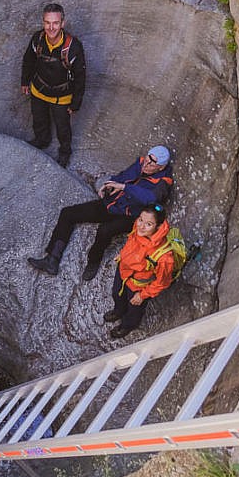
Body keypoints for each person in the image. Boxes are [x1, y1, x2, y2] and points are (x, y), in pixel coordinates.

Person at [27, 145, 174, 281]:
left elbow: (150, 198)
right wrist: (109, 185)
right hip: (113, 203)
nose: (147, 164)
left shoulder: (163, 182)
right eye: (148, 158)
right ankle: (52, 258)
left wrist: (123, 187)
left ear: (161, 167)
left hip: (131, 215)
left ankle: (93, 261)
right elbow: (123, 176)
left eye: (152, 163)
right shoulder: (141, 163)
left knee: (105, 231)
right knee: (68, 213)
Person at [21, 3, 87, 168]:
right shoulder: (38, 39)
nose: (51, 27)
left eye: (55, 23)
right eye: (47, 23)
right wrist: (25, 81)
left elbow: (80, 77)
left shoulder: (73, 48)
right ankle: (42, 140)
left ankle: (64, 152)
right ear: (43, 23)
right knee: (39, 119)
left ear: (62, 23)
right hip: (39, 89)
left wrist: (76, 103)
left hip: (61, 96)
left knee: (63, 127)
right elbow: (28, 60)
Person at [104, 204, 176, 339]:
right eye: (140, 220)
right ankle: (119, 310)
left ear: (158, 227)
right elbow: (131, 243)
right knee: (117, 293)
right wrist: (122, 255)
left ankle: (128, 325)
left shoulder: (164, 257)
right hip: (124, 271)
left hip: (138, 286)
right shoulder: (138, 229)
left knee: (134, 309)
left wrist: (143, 295)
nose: (141, 226)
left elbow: (162, 282)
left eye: (148, 224)